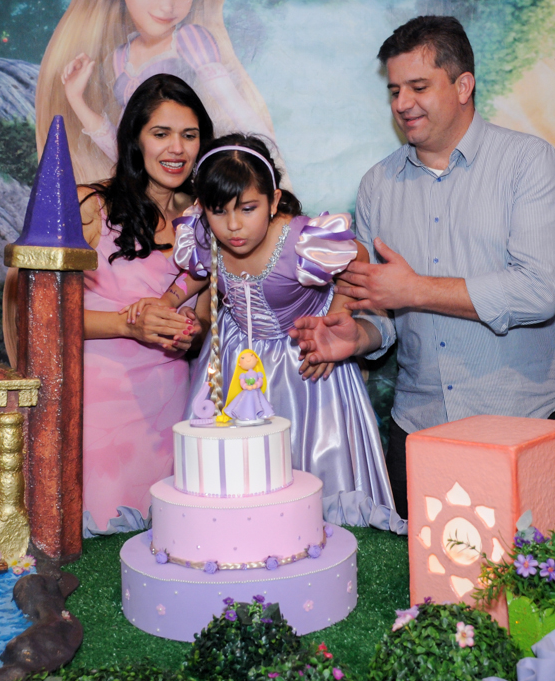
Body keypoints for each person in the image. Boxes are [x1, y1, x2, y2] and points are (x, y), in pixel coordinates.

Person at [290, 16, 555, 519]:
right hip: (418, 430)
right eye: (395, 89)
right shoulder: (378, 184)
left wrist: (415, 290)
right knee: (428, 591)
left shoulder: (529, 163)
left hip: (521, 425)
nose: (402, 104)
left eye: (418, 87)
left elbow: (538, 292)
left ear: (463, 85)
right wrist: (357, 337)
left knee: (534, 593)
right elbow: (385, 312)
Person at [131, 135, 402, 532]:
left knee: (307, 486)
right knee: (234, 482)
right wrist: (168, 299)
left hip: (305, 372)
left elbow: (356, 261)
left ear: (274, 201)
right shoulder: (208, 236)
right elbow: (199, 271)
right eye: (218, 211)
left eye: (249, 208)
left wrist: (335, 321)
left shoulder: (305, 241)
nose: (234, 225)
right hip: (233, 369)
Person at [35, 0, 286, 188]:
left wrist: (268, 165)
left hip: (194, 196)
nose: (168, 3)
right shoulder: (119, 60)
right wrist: (77, 99)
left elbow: (237, 110)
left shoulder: (190, 41)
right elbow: (127, 156)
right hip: (150, 201)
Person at [76, 74, 213, 535]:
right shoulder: (90, 206)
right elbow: (40, 318)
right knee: (99, 536)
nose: (176, 148)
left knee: (166, 538)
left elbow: (206, 318)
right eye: (161, 134)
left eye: (189, 135)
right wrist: (125, 324)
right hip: (96, 406)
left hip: (169, 409)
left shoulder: (207, 220)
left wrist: (191, 331)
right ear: (135, 139)